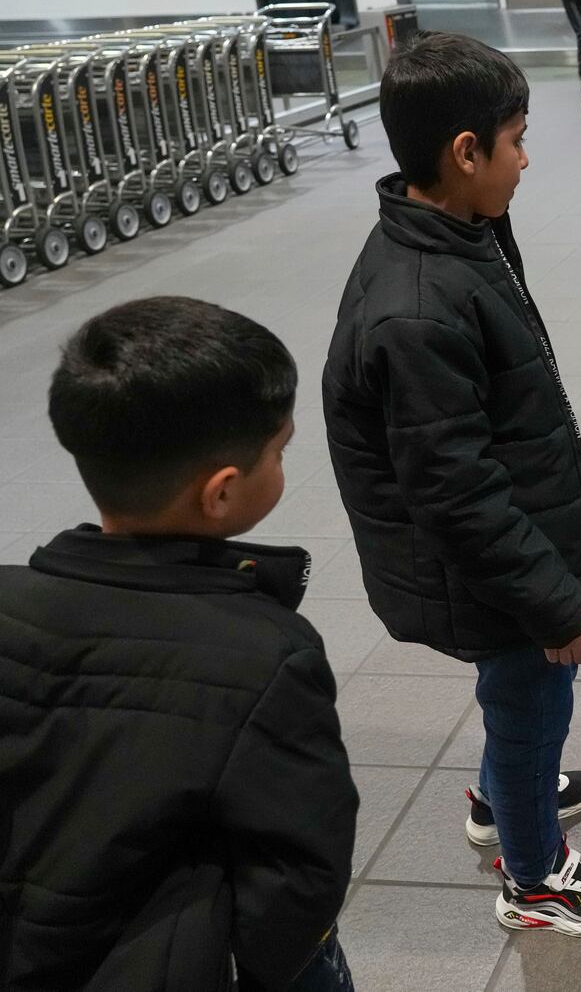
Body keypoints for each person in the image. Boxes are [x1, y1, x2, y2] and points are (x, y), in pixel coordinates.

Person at [322, 32, 581, 935]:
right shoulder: (421, 302)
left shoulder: (449, 228)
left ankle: (505, 795)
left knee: (520, 703)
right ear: (465, 153)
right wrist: (552, 600)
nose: (527, 158)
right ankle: (534, 874)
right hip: (487, 570)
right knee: (531, 696)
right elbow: (455, 489)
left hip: (488, 550)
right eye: (517, 140)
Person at [0, 297, 359, 990]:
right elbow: (301, 866)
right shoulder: (266, 655)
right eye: (279, 451)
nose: (283, 462)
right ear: (220, 493)